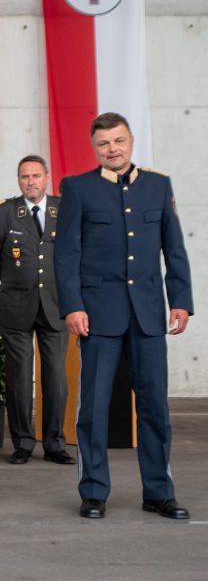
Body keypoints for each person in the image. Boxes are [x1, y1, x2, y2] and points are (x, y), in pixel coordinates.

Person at [55, 112, 193, 520]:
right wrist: (73, 305)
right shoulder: (78, 188)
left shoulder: (157, 186)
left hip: (148, 314)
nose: (112, 149)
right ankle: (94, 491)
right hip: (98, 315)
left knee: (155, 408)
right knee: (93, 408)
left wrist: (180, 300)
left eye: (118, 141)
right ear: (94, 147)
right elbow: (67, 255)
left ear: (131, 141)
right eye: (103, 143)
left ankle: (159, 492)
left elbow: (174, 249)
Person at [0, 155, 74, 466]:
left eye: (36, 175)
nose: (30, 181)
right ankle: (22, 443)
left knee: (56, 378)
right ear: (18, 180)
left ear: (47, 177)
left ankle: (54, 443)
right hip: (16, 306)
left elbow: (76, 253)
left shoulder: (64, 209)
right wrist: (17, 279)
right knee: (19, 377)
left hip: (55, 306)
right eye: (25, 176)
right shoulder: (4, 212)